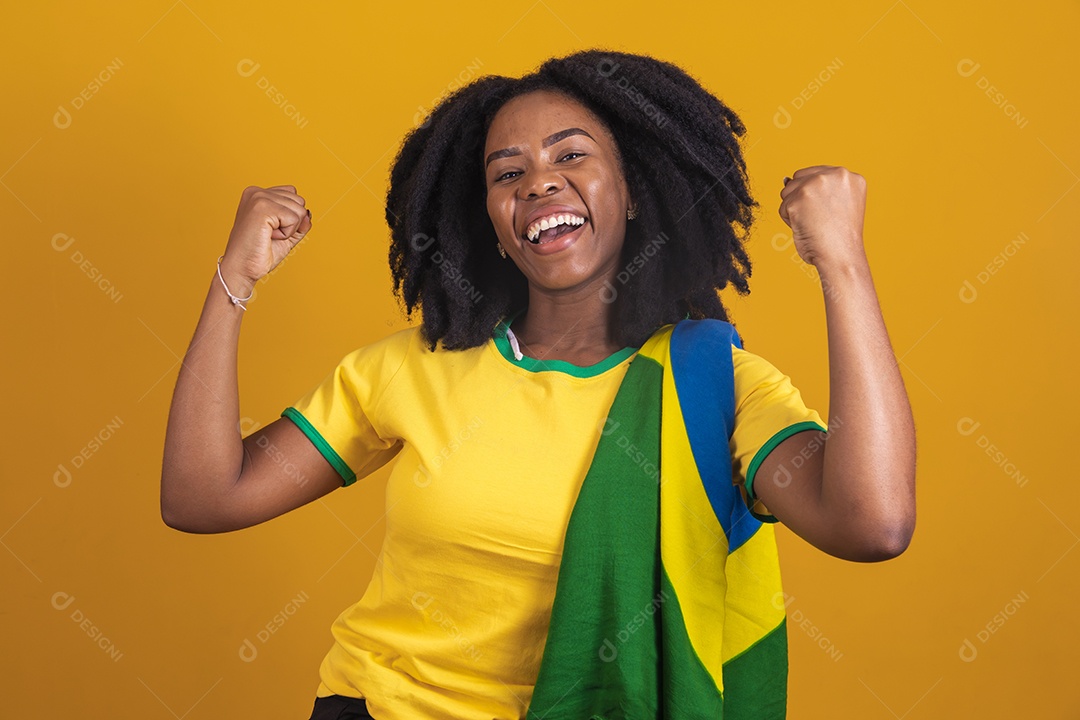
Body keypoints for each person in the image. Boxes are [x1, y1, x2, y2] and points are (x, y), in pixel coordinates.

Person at [160, 49, 915, 720]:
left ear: (634, 192)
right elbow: (204, 496)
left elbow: (871, 524)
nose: (539, 183)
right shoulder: (407, 367)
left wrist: (842, 263)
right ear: (491, 221)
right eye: (508, 173)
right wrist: (236, 280)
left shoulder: (716, 392)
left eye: (571, 157)